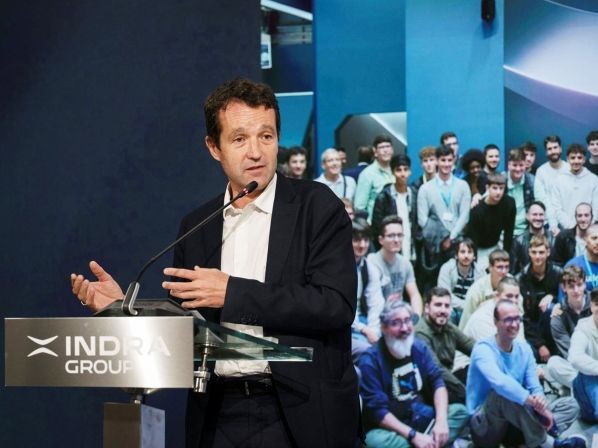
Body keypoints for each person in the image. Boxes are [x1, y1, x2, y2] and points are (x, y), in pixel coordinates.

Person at [70, 78, 360, 448]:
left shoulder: (317, 206)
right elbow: (183, 332)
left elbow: (335, 305)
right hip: (218, 415)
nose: (255, 152)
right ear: (214, 147)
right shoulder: (198, 226)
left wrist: (233, 293)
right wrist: (123, 311)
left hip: (299, 413)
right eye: (239, 139)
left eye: (266, 136)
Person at [467, 299, 583, 447]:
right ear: (495, 322)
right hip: (486, 427)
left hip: (517, 418)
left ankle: (532, 438)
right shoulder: (482, 349)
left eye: (517, 319)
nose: (514, 324)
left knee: (572, 404)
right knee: (503, 395)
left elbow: (534, 386)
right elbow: (500, 383)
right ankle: (548, 443)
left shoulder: (524, 349)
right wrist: (530, 401)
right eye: (508, 320)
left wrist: (541, 404)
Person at [359, 300, 469, 448]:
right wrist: (413, 436)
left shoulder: (418, 347)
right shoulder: (370, 361)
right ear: (383, 328)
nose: (404, 328)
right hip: (392, 429)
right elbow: (378, 412)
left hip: (422, 417)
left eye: (407, 321)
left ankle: (430, 442)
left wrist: (441, 422)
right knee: (374, 441)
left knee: (460, 412)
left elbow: (437, 382)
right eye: (396, 323)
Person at [415, 287, 475, 404]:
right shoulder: (420, 333)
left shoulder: (448, 327)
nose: (443, 310)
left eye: (446, 306)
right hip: (429, 389)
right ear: (426, 308)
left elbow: (472, 346)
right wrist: (465, 392)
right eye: (438, 305)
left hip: (448, 381)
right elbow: (437, 369)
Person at [417, 145, 471, 261]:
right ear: (436, 161)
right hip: (434, 245)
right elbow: (422, 220)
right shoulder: (425, 189)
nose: (446, 164)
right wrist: (441, 238)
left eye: (449, 160)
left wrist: (451, 237)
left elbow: (465, 216)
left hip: (458, 242)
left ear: (454, 160)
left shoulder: (463, 186)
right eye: (443, 160)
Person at [518, 235, 562, 363]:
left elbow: (566, 302)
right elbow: (523, 317)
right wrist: (540, 344)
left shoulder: (558, 273)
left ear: (548, 252)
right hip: (530, 330)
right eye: (534, 252)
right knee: (530, 356)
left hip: (553, 327)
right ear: (529, 253)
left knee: (550, 309)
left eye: (541, 252)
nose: (537, 257)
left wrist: (552, 296)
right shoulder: (521, 278)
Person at [367, 215, 423, 315]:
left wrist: (416, 317)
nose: (396, 240)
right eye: (391, 236)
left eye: (400, 235)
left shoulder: (405, 263)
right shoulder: (372, 262)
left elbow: (414, 295)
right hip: (377, 314)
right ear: (381, 240)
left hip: (399, 315)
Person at [547, 266, 591, 390]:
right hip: (578, 365)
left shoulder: (595, 303)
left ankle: (585, 388)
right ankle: (587, 387)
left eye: (579, 285)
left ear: (585, 283)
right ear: (563, 288)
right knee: (553, 363)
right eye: (571, 286)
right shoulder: (557, 317)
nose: (576, 290)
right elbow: (572, 354)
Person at [371, 154, 418, 259]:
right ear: (392, 172)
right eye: (398, 170)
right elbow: (377, 228)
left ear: (410, 171)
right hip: (390, 249)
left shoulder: (415, 194)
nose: (403, 174)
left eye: (406, 169)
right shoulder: (383, 197)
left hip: (411, 247)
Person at [466, 173, 516, 270]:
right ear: (487, 188)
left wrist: (505, 255)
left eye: (501, 188)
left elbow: (509, 232)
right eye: (495, 188)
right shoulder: (477, 210)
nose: (498, 192)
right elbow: (473, 239)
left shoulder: (509, 203)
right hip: (479, 249)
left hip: (496, 245)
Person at [352, 218, 384, 362]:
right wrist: (364, 330)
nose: (362, 245)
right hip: (346, 328)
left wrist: (373, 331)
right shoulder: (337, 267)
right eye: (357, 240)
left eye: (365, 240)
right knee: (370, 353)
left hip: (364, 325)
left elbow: (375, 304)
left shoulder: (369, 268)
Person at [550, 143, 598, 231]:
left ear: (584, 159)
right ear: (567, 159)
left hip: (589, 229)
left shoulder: (593, 179)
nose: (576, 161)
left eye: (579, 158)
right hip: (566, 229)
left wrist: (588, 224)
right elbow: (556, 207)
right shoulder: (559, 180)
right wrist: (570, 226)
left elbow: (596, 207)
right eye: (572, 158)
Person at [437, 237, 486, 325]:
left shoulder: (480, 271)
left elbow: (482, 296)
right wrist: (467, 306)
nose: (466, 256)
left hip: (471, 310)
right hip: (451, 307)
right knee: (448, 313)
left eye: (469, 252)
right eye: (463, 252)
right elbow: (444, 295)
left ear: (474, 256)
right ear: (456, 255)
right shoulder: (447, 268)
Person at [459, 249, 511, 330]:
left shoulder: (512, 284)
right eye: (500, 267)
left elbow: (520, 313)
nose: (504, 271)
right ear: (490, 267)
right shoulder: (476, 290)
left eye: (506, 267)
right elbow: (466, 323)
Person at [569, 287, 598, 423]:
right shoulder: (583, 328)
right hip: (588, 391)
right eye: (597, 304)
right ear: (591, 306)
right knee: (588, 374)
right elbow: (575, 358)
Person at [354, 135, 395, 221]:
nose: (385, 150)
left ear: (392, 150)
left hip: (395, 224)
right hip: (375, 225)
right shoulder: (367, 174)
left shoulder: (397, 171)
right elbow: (359, 207)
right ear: (375, 151)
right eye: (381, 147)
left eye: (388, 146)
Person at [535, 136, 569, 236]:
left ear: (560, 149)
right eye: (549, 149)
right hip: (548, 222)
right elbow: (541, 199)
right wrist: (552, 224)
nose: (553, 151)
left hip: (568, 221)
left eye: (555, 147)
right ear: (546, 152)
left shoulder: (570, 169)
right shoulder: (541, 171)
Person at [510, 200, 555, 275]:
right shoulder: (518, 242)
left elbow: (558, 266)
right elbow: (513, 271)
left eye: (541, 214)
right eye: (534, 214)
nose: (538, 218)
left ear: (545, 216)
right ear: (527, 216)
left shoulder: (554, 240)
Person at [505, 147, 535, 237]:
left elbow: (542, 201)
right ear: (508, 165)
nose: (518, 169)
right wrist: (477, 195)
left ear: (525, 165)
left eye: (521, 165)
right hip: (504, 231)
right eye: (514, 165)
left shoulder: (532, 180)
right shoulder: (501, 180)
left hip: (525, 231)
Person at [553, 203, 593, 267]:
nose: (583, 219)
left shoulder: (596, 238)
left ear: (591, 217)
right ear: (575, 217)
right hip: (569, 272)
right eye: (579, 216)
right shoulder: (563, 237)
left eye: (586, 215)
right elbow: (556, 263)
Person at [564, 223, 598, 296]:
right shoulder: (573, 265)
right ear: (585, 240)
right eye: (594, 238)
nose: (597, 242)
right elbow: (564, 298)